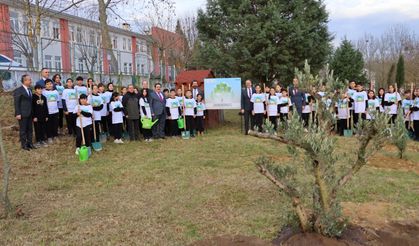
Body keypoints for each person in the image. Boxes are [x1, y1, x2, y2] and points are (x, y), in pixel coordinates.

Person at [14, 74, 35, 150]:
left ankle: (30, 144)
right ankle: (24, 145)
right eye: (29, 80)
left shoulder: (29, 90)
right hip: (22, 114)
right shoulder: (18, 90)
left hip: (30, 113)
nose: (30, 81)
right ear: (25, 81)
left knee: (30, 130)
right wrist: (18, 113)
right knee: (23, 130)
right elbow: (16, 103)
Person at [43, 79, 60, 144]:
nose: (49, 85)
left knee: (55, 124)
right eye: (47, 84)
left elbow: (57, 101)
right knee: (48, 125)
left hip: (55, 111)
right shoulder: (44, 92)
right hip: (48, 112)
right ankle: (49, 137)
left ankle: (55, 136)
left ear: (53, 84)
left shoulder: (56, 92)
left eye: (50, 84)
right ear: (45, 85)